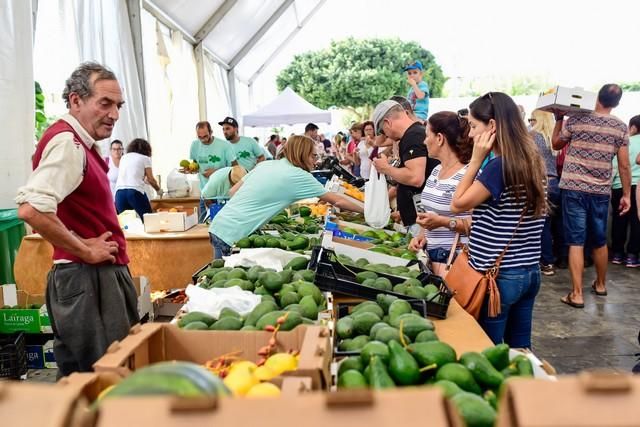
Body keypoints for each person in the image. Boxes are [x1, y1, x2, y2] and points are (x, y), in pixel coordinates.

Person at [15, 62, 139, 377]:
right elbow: (32, 209)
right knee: (107, 375)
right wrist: (84, 250)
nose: (114, 114)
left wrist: (79, 241)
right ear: (75, 101)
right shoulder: (68, 144)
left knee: (81, 379)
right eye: (105, 103)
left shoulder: (78, 143)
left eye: (118, 106)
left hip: (86, 277)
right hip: (88, 278)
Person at [451, 92, 546, 348]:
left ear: (491, 125)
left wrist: (475, 160)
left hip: (498, 277)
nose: (470, 134)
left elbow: (457, 204)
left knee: (488, 350)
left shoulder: (497, 167)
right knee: (520, 350)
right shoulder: (533, 161)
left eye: (473, 126)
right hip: (529, 273)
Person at [208, 135, 364, 258]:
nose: (315, 162)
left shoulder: (266, 164)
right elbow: (338, 200)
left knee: (220, 279)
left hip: (219, 225)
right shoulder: (299, 175)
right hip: (234, 235)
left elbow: (233, 191)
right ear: (302, 155)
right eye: (313, 156)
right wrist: (367, 211)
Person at [552, 84, 631, 308]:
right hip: (600, 191)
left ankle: (576, 294)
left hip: (574, 188)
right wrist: (626, 194)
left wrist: (559, 119)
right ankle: (601, 284)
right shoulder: (620, 127)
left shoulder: (577, 119)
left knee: (575, 241)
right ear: (616, 103)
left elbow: (556, 144)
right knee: (598, 240)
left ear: (597, 97)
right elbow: (624, 165)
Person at [408, 111, 473, 269]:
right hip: (433, 255)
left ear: (439, 138)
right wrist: (421, 235)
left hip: (455, 259)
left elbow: (478, 223)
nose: (424, 141)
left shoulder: (468, 175)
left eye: (427, 135)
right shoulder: (437, 170)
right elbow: (432, 213)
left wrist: (443, 222)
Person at [371, 100, 427, 232]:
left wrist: (385, 168)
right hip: (417, 217)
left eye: (383, 131)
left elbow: (416, 178)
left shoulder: (413, 136)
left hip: (420, 221)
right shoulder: (414, 134)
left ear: (387, 122)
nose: (386, 136)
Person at [530, 110, 559, 275]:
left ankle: (546, 263)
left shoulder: (532, 136)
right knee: (554, 226)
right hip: (555, 182)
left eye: (531, 119)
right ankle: (554, 258)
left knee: (541, 226)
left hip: (541, 182)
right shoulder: (553, 139)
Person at [190, 121, 237, 222]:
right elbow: (195, 164)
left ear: (211, 132)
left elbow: (236, 169)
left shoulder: (225, 146)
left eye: (205, 136)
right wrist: (191, 169)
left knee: (224, 224)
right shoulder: (194, 145)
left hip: (223, 195)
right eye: (200, 137)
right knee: (203, 226)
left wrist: (217, 172)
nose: (203, 139)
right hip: (205, 193)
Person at [610, 114, 640, 266]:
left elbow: (616, 166)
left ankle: (617, 254)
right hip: (638, 186)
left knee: (618, 220)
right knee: (636, 221)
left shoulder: (626, 142)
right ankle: (632, 256)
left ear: (633, 127)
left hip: (619, 185)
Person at [114, 138, 161, 221]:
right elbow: (151, 179)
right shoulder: (145, 158)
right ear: (146, 149)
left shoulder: (124, 157)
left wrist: (144, 180)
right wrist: (158, 190)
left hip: (119, 193)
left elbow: (132, 176)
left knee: (127, 225)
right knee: (149, 221)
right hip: (135, 192)